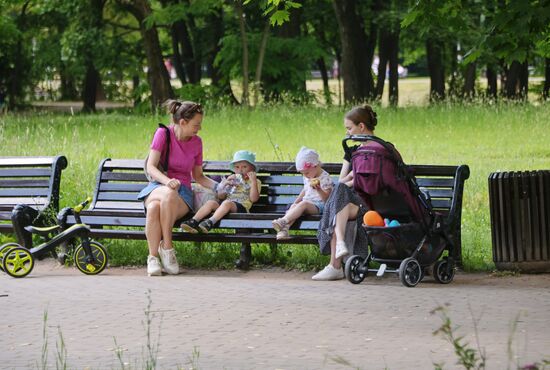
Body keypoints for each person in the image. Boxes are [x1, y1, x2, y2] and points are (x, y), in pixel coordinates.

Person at [137, 99, 219, 277]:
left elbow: (198, 176)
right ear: (183, 122)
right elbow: (151, 167)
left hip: (182, 194)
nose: (199, 128)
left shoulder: (197, 142)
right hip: (157, 186)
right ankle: (164, 250)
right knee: (165, 195)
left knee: (154, 208)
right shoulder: (163, 133)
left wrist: (219, 187)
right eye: (196, 124)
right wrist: (167, 181)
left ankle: (157, 253)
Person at [313, 104, 379, 281]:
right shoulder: (353, 151)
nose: (347, 133)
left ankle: (335, 264)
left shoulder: (379, 150)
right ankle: (338, 254)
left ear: (361, 127)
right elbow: (342, 181)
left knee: (338, 199)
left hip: (370, 202)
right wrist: (354, 177)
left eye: (349, 128)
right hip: (350, 201)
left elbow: (371, 184)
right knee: (340, 195)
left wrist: (355, 178)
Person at [180, 150, 261, 233]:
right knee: (211, 203)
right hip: (225, 205)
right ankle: (193, 221)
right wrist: (225, 185)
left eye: (244, 167)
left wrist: (253, 182)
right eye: (237, 167)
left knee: (227, 203)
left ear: (252, 169)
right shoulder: (232, 179)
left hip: (241, 208)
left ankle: (210, 222)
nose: (240, 170)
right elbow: (221, 196)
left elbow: (254, 199)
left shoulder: (255, 182)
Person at [272, 147, 334, 240]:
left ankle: (283, 220)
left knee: (303, 204)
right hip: (307, 203)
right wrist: (296, 201)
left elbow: (327, 199)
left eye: (307, 172)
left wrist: (318, 189)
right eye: (302, 173)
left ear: (315, 165)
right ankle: (284, 230)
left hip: (320, 205)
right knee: (294, 206)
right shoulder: (308, 176)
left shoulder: (325, 177)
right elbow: (305, 190)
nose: (305, 175)